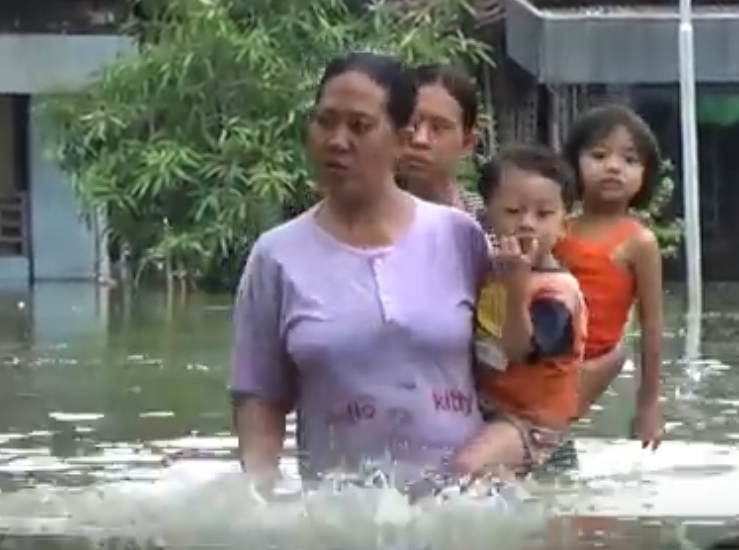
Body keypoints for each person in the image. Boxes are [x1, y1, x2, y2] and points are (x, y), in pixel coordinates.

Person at [228, 52, 512, 490]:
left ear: (400, 139)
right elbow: (259, 396)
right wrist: (264, 498)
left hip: (461, 510)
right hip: (340, 513)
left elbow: (503, 360)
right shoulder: (276, 257)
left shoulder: (460, 237)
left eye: (360, 126)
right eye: (325, 122)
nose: (337, 141)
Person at [452, 145, 587, 474]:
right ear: (486, 219)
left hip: (534, 429)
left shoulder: (559, 293)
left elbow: (518, 348)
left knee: (466, 468)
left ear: (564, 227)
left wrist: (515, 286)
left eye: (543, 214)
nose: (527, 224)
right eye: (513, 211)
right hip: (486, 411)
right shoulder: (485, 271)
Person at [554, 103, 665, 449]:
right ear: (574, 163)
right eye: (599, 155)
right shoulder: (555, 228)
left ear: (645, 174)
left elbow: (651, 326)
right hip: (542, 355)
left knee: (545, 428)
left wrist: (647, 405)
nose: (614, 167)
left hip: (590, 361)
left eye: (630, 160)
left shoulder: (639, 242)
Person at [401, 63, 484, 218]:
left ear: (467, 143)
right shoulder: (359, 213)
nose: (420, 139)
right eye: (412, 123)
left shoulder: (484, 223)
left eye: (438, 127)